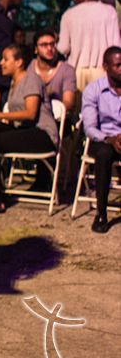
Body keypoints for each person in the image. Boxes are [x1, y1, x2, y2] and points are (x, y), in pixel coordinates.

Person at [0, 43, 59, 216]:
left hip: (42, 135)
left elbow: (30, 113)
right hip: (23, 132)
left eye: (5, 59)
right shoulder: (14, 83)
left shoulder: (31, 79)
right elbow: (8, 121)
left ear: (19, 62)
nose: (1, 63)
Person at [58, 0, 121, 93]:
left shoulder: (68, 15)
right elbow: (116, 46)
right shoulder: (110, 11)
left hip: (76, 72)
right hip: (103, 72)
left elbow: (63, 48)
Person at [80, 46, 121, 234]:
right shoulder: (93, 90)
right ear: (105, 66)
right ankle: (101, 212)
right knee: (103, 154)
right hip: (103, 139)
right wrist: (109, 139)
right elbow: (89, 127)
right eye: (117, 65)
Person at [33, 29, 77, 113]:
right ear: (36, 49)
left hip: (58, 117)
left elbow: (68, 103)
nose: (50, 48)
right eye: (44, 45)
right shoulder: (29, 68)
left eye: (52, 44)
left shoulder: (67, 70)